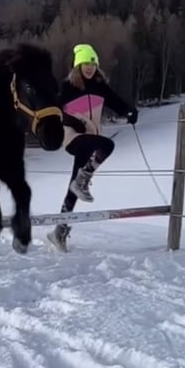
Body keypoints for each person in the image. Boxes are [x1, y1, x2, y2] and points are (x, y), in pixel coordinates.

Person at [47, 44, 138, 251]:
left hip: (90, 138)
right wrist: (71, 120)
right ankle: (83, 180)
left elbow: (117, 102)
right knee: (107, 144)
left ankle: (59, 231)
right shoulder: (68, 86)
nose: (90, 67)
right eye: (85, 63)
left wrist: (130, 111)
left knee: (72, 187)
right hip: (73, 138)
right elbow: (55, 111)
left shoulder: (99, 86)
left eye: (93, 63)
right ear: (78, 65)